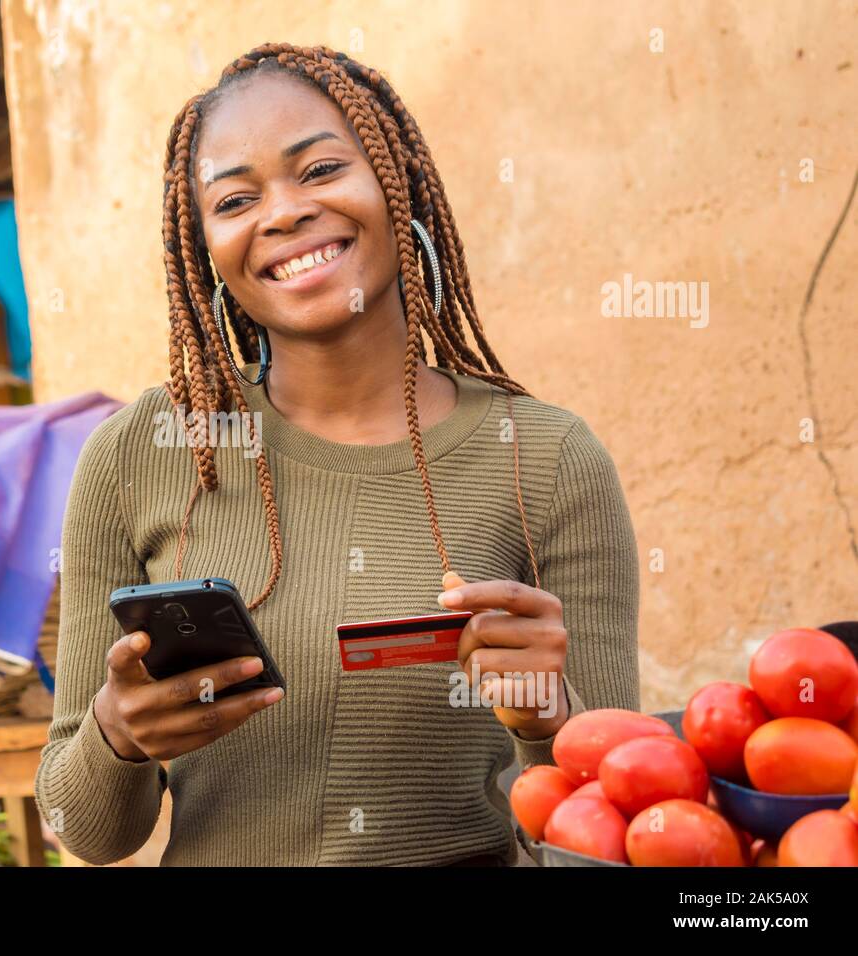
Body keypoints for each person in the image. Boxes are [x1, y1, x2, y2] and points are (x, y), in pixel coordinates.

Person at [35, 43, 639, 866]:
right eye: (236, 198)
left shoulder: (546, 458)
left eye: (319, 170)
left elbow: (618, 819)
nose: (282, 214)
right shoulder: (143, 454)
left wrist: (549, 720)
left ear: (400, 188)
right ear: (204, 248)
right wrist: (117, 735)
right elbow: (83, 833)